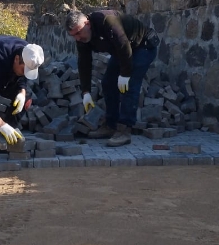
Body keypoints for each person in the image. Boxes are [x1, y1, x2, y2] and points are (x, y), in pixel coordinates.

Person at [65, 9, 159, 147]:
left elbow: (124, 44)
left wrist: (125, 74)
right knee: (108, 83)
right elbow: (84, 63)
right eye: (73, 36)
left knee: (130, 85)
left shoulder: (106, 20)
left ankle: (125, 130)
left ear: (87, 23)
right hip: (121, 51)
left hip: (142, 46)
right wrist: (85, 91)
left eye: (78, 33)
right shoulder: (82, 39)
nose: (77, 38)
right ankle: (111, 125)